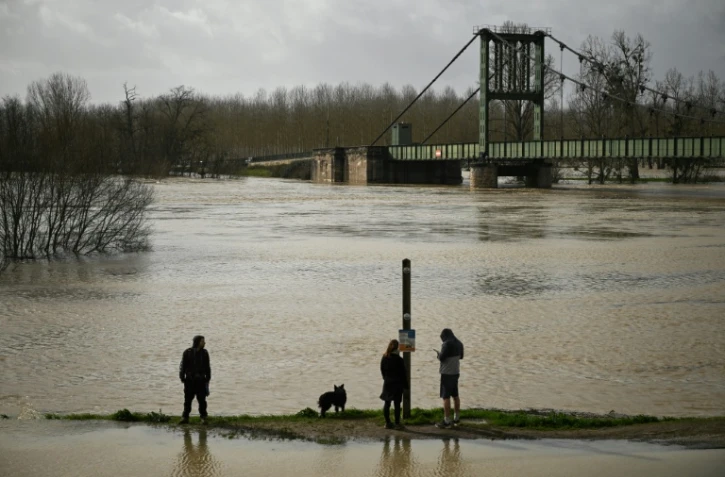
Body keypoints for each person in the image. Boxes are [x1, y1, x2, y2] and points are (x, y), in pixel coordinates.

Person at [179, 335, 211, 424]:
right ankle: (185, 417)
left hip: (201, 381)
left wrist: (208, 378)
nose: (204, 343)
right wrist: (182, 377)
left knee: (202, 401)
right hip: (189, 381)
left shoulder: (205, 353)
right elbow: (182, 366)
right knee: (187, 400)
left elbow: (207, 367)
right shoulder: (187, 352)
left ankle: (203, 417)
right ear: (197, 342)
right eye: (202, 341)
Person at [435, 328, 464, 428]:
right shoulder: (459, 343)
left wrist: (438, 355)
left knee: (445, 397)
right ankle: (456, 418)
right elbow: (461, 357)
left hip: (447, 374)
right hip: (456, 372)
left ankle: (447, 421)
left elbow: (442, 358)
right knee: (455, 396)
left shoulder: (446, 344)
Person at [380, 339, 408, 429]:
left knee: (387, 403)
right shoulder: (399, 360)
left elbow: (382, 370)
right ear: (397, 348)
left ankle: (387, 423)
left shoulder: (384, 357)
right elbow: (403, 374)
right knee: (397, 404)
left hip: (387, 383)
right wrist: (406, 385)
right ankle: (397, 423)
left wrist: (385, 378)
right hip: (397, 384)